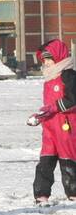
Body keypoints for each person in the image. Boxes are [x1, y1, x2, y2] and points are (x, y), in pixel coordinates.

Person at [28, 39, 76, 205]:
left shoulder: (68, 75)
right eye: (44, 60)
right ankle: (41, 193)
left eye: (49, 59)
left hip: (66, 125)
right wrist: (41, 115)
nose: (46, 63)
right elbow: (49, 105)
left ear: (58, 58)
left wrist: (54, 108)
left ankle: (73, 192)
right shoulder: (49, 78)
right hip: (49, 127)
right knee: (46, 160)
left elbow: (72, 100)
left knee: (67, 159)